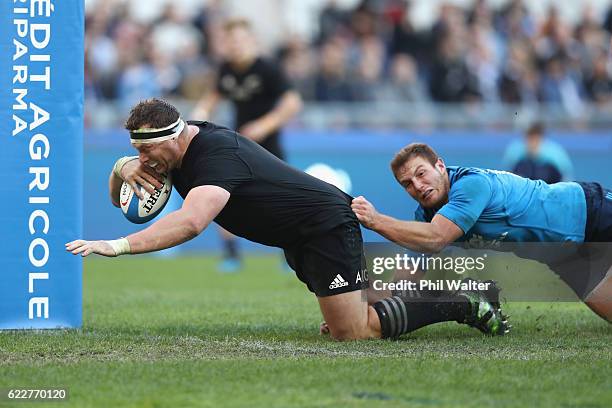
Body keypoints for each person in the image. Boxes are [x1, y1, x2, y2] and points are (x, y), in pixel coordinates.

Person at [66, 98, 510, 340]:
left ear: (170, 139)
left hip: (324, 226)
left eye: (145, 151)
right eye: (136, 151)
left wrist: (119, 245)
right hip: (297, 236)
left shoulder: (216, 156)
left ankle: (460, 300)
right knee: (351, 314)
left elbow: (191, 223)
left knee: (352, 333)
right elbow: (121, 193)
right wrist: (120, 168)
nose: (142, 159)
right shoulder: (178, 145)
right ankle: (438, 292)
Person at [351, 143, 612, 322]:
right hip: (562, 257)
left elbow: (437, 238)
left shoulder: (470, 185)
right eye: (407, 184)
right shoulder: (426, 218)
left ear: (440, 166)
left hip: (590, 210)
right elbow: (402, 286)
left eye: (421, 173)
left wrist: (376, 221)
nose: (418, 186)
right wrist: (359, 312)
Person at [192, 18, 303, 272]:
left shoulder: (268, 69)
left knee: (283, 203)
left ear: (252, 41)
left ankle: (292, 253)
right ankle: (231, 256)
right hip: (238, 145)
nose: (236, 45)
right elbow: (212, 97)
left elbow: (293, 103)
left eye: (241, 39)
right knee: (220, 193)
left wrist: (263, 126)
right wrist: (196, 119)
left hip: (269, 147)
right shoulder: (226, 69)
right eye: (231, 40)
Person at [503, 122, 573, 184]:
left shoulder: (555, 156)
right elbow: (508, 180)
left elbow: (565, 181)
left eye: (535, 140)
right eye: (529, 139)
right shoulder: (515, 154)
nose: (532, 143)